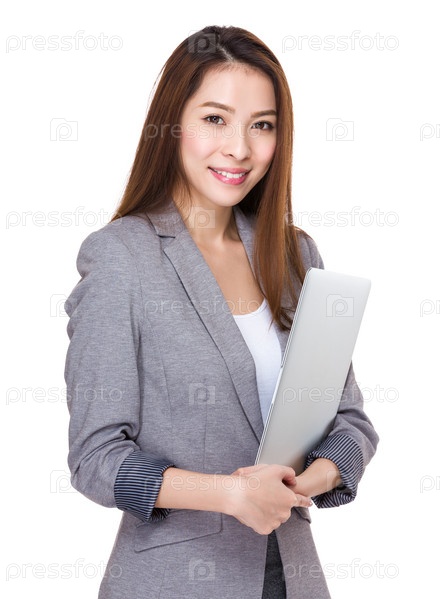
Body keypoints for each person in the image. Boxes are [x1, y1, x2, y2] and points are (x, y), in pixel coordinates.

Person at [64, 25, 379, 599]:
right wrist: (230, 494)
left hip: (295, 578)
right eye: (215, 119)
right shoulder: (121, 258)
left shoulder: (293, 253)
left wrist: (301, 483)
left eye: (262, 125)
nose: (239, 148)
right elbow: (96, 459)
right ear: (172, 123)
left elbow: (350, 423)